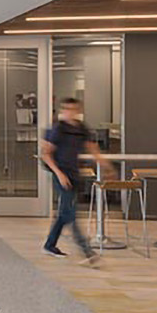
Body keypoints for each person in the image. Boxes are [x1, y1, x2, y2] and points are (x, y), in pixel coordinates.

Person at [40, 97, 106, 265]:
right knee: (71, 213)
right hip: (61, 174)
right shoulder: (58, 129)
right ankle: (87, 251)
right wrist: (59, 174)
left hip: (74, 174)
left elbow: (92, 147)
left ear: (78, 110)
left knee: (64, 213)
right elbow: (46, 154)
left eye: (73, 109)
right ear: (63, 111)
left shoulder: (82, 128)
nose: (70, 112)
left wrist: (106, 166)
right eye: (67, 109)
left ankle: (49, 245)